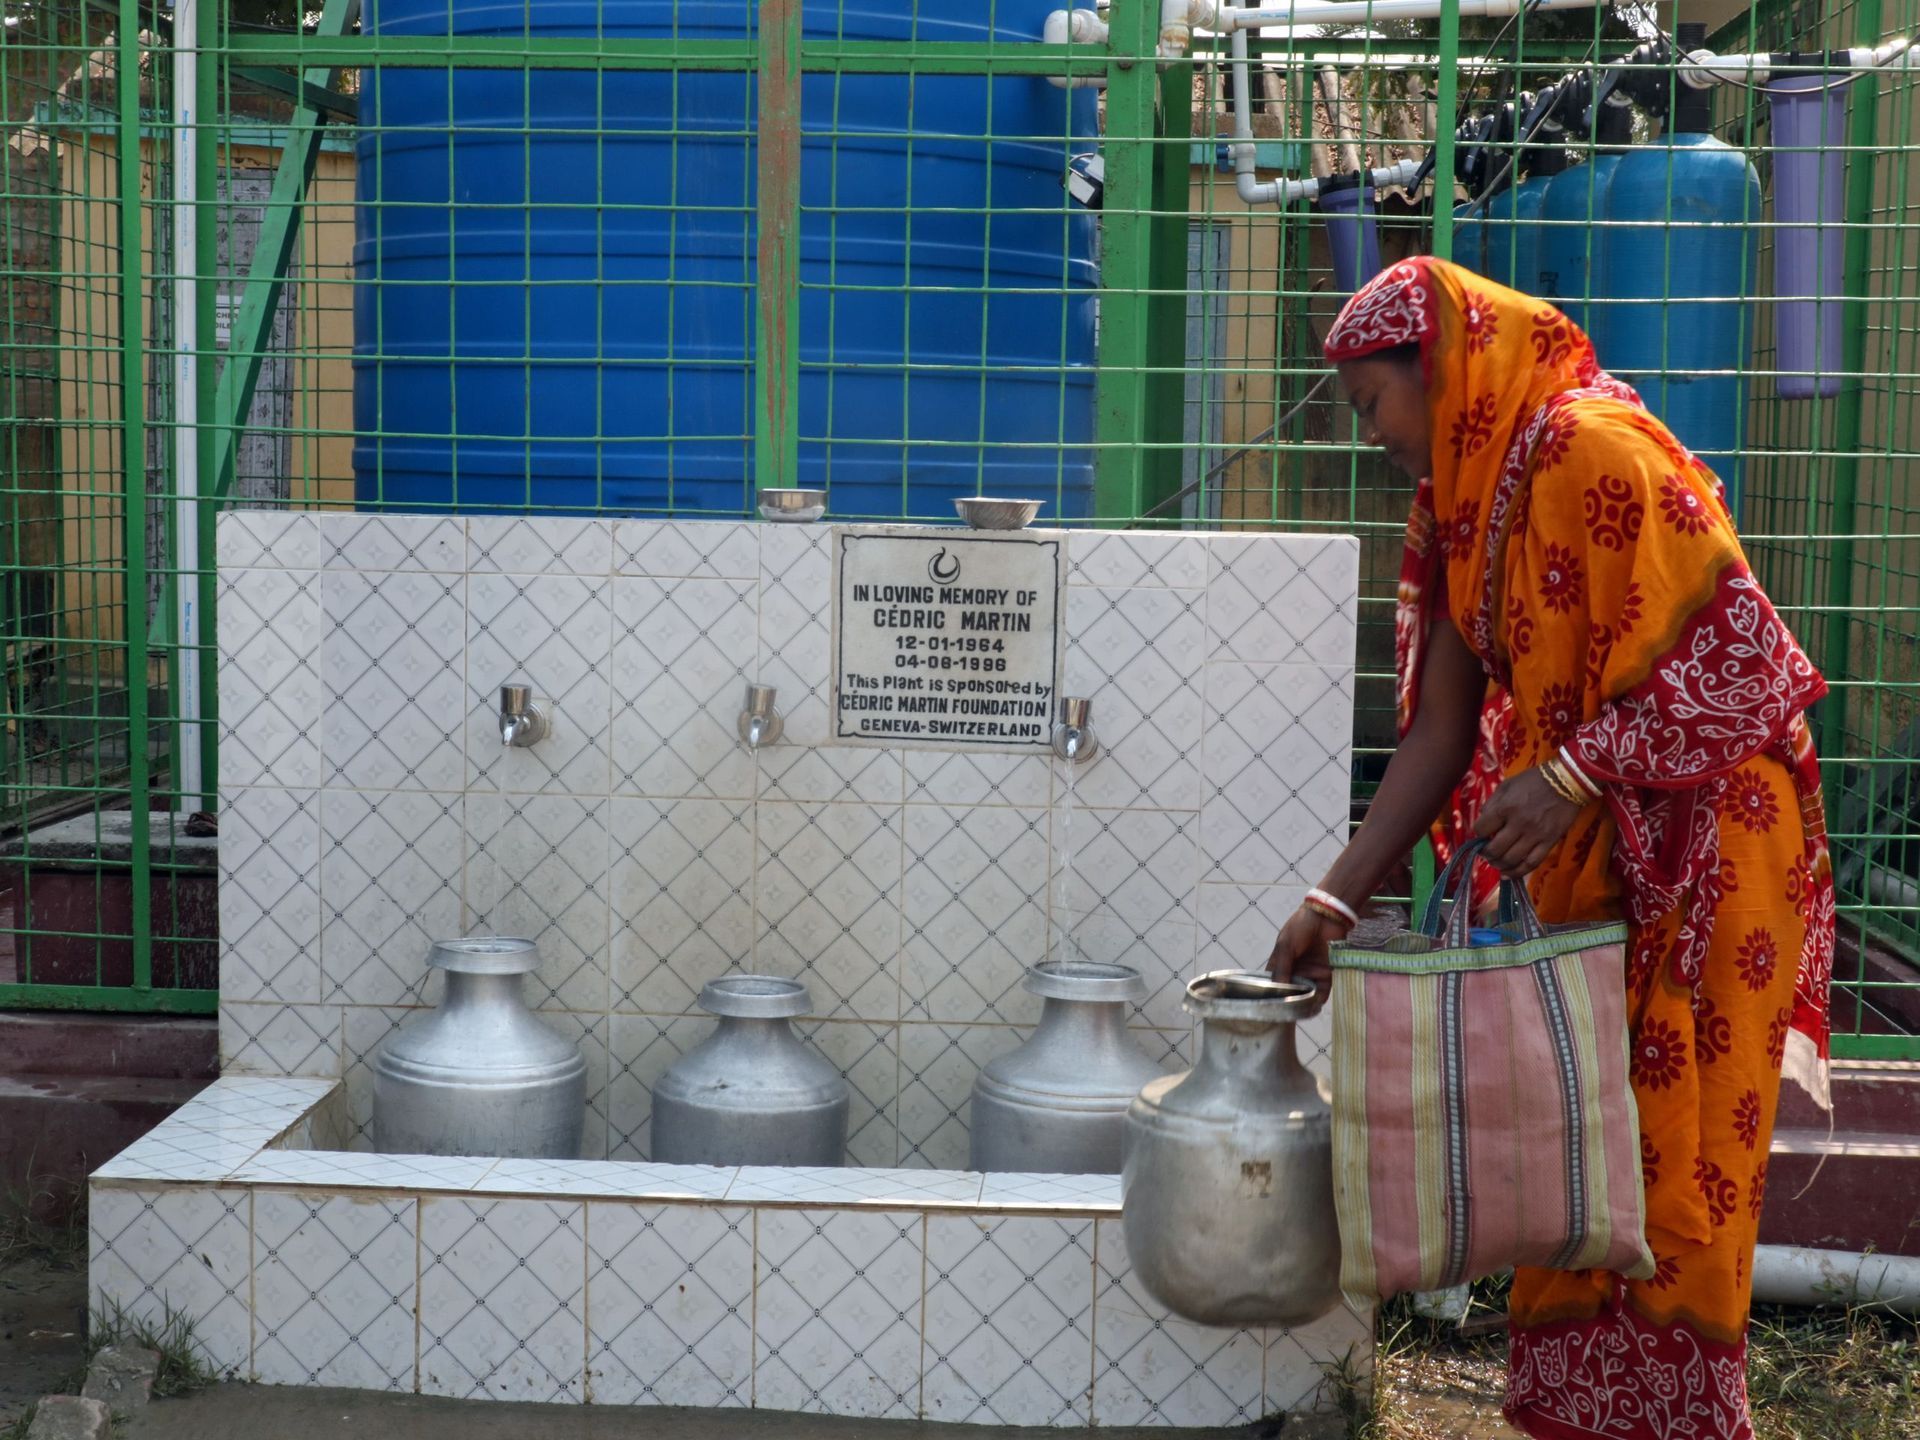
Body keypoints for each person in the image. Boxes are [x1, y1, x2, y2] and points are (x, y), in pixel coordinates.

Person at [1266, 256, 1835, 1440]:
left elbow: (1747, 659)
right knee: (1565, 1155)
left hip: (1713, 859)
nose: (1372, 438)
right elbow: (1440, 731)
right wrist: (1334, 897)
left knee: (1671, 1189)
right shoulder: (1463, 507)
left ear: (1444, 368)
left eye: (1374, 405)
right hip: (1592, 862)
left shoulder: (1593, 449)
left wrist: (1575, 770)